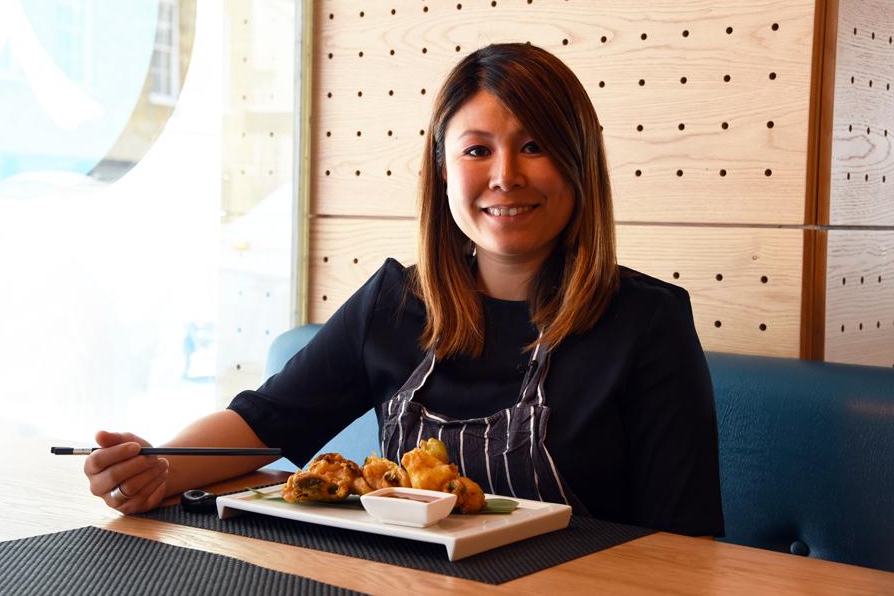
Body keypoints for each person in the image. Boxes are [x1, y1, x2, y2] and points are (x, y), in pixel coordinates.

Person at [84, 43, 724, 536]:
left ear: (580, 165)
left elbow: (689, 542)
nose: (505, 176)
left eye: (534, 146)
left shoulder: (646, 323)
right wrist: (157, 466)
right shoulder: (393, 304)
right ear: (442, 170)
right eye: (477, 150)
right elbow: (263, 423)